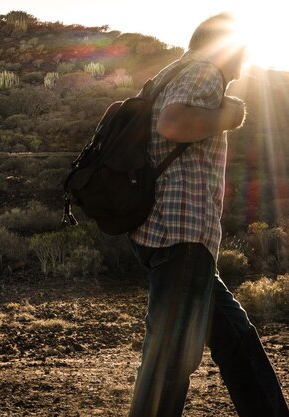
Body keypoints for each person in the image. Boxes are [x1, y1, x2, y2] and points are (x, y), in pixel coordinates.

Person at [127, 12, 289, 417]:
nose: (242, 64)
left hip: (172, 234)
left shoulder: (171, 72)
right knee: (168, 360)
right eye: (241, 53)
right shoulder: (204, 70)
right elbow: (173, 122)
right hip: (181, 233)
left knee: (236, 338)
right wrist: (230, 115)